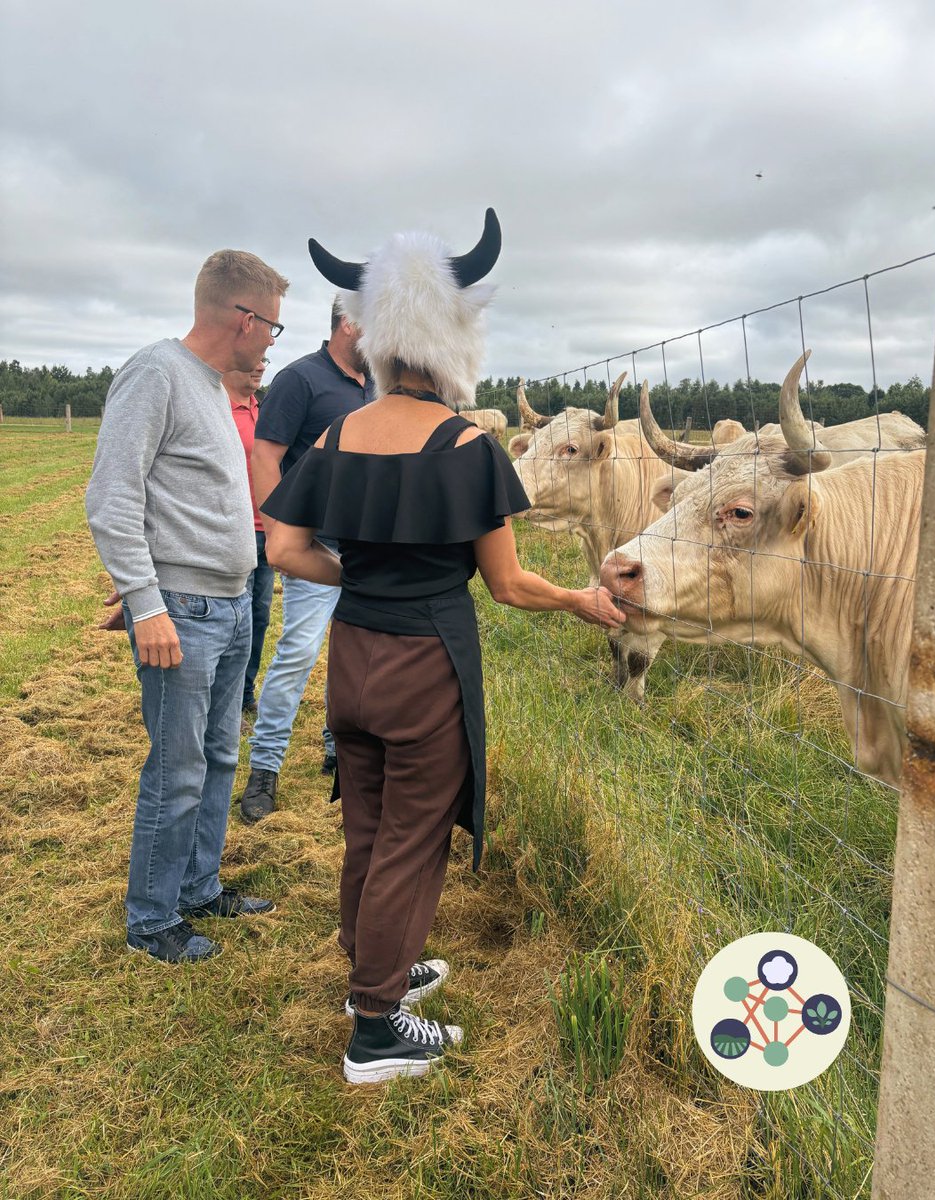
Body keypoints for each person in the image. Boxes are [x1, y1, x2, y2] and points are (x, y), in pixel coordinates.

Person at [261, 210, 624, 1084]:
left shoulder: (336, 434)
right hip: (427, 668)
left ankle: (370, 972)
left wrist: (359, 583)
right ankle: (377, 1028)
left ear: (381, 335)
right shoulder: (467, 446)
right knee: (413, 839)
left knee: (368, 823)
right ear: (457, 335)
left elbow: (282, 549)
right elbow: (505, 584)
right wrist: (578, 600)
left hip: (351, 660)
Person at [85, 250, 289, 964]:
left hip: (231, 606)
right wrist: (147, 606)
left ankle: (199, 888)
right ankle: (152, 920)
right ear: (243, 317)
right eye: (273, 325)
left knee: (219, 757)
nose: (272, 339)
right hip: (184, 610)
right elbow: (112, 498)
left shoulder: (209, 384)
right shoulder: (156, 374)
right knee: (175, 770)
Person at [238, 302, 376, 823]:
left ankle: (336, 748)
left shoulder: (376, 387)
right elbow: (266, 455)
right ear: (349, 323)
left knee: (355, 652)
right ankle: (264, 771)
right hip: (317, 545)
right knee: (297, 653)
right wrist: (278, 532)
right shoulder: (301, 379)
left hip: (365, 550)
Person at [223, 356, 275, 728]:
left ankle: (244, 695)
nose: (259, 367)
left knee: (259, 616)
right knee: (233, 622)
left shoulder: (264, 409)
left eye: (264, 361)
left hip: (266, 531)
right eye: (252, 361)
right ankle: (226, 700)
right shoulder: (219, 409)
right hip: (234, 532)